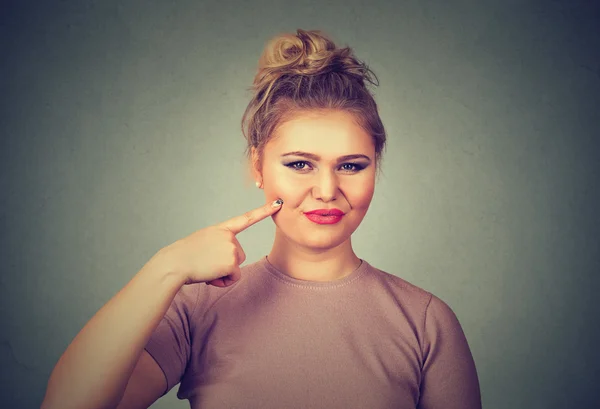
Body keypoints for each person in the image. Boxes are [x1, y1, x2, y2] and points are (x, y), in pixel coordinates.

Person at [41, 29, 482, 409]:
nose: (327, 190)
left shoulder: (426, 322)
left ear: (375, 168)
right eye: (299, 164)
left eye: (351, 165)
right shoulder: (199, 309)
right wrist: (167, 266)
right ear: (258, 167)